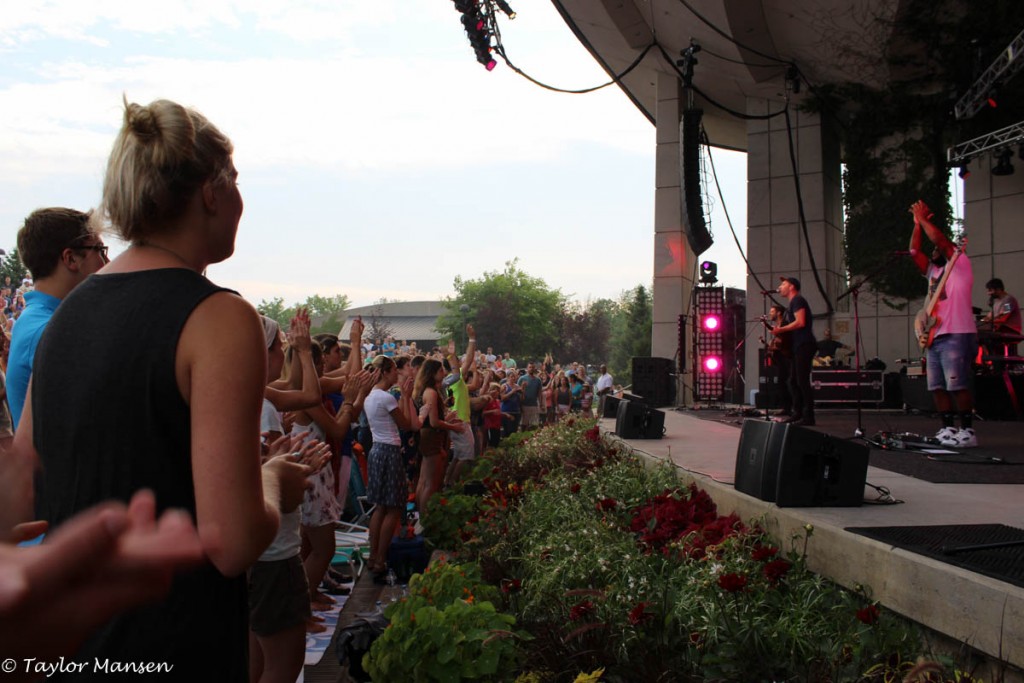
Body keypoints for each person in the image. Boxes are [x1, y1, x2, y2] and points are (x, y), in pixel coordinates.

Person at [13, 97, 312, 680]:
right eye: (237, 181)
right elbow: (230, 541)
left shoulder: (63, 317)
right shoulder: (220, 318)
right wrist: (273, 484)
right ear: (211, 191)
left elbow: (25, 483)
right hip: (174, 641)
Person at [7, 208, 108, 430]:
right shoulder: (51, 331)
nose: (107, 262)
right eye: (100, 251)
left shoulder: (35, 319)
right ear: (71, 258)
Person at [909, 199, 976, 448]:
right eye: (934, 251)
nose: (934, 251)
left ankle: (968, 430)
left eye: (937, 250)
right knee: (937, 386)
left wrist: (925, 219)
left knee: (957, 384)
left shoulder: (959, 265)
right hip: (936, 335)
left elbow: (941, 242)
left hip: (957, 333)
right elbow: (915, 251)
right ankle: (947, 428)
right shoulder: (933, 273)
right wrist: (917, 224)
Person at [363, 354, 418, 582]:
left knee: (380, 507)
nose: (397, 373)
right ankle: (380, 558)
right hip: (390, 451)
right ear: (385, 372)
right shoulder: (386, 398)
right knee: (394, 507)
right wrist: (405, 396)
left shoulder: (369, 396)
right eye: (394, 369)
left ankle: (374, 555)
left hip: (377, 450)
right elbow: (405, 425)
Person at [770, 276, 816, 426]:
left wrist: (781, 329)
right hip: (798, 345)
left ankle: (808, 416)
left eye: (783, 284)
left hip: (804, 344)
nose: (780, 286)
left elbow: (801, 322)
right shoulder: (792, 304)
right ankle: (798, 413)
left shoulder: (798, 300)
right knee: (794, 380)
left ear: (791, 287)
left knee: (801, 381)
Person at [765, 303, 793, 417]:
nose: (770, 314)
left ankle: (788, 408)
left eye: (772, 312)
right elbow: (776, 332)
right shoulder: (779, 324)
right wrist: (765, 324)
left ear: (779, 313)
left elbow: (782, 337)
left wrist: (776, 345)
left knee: (785, 383)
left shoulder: (785, 323)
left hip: (785, 357)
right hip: (780, 357)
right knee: (782, 383)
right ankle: (785, 407)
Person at [518, 362, 543, 430]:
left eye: (533, 367)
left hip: (534, 404)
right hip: (524, 404)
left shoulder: (538, 380)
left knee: (534, 425)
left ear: (535, 368)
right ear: (527, 368)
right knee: (523, 424)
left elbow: (539, 393)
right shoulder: (522, 378)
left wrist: (540, 404)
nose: (531, 369)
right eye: (530, 367)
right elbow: (517, 391)